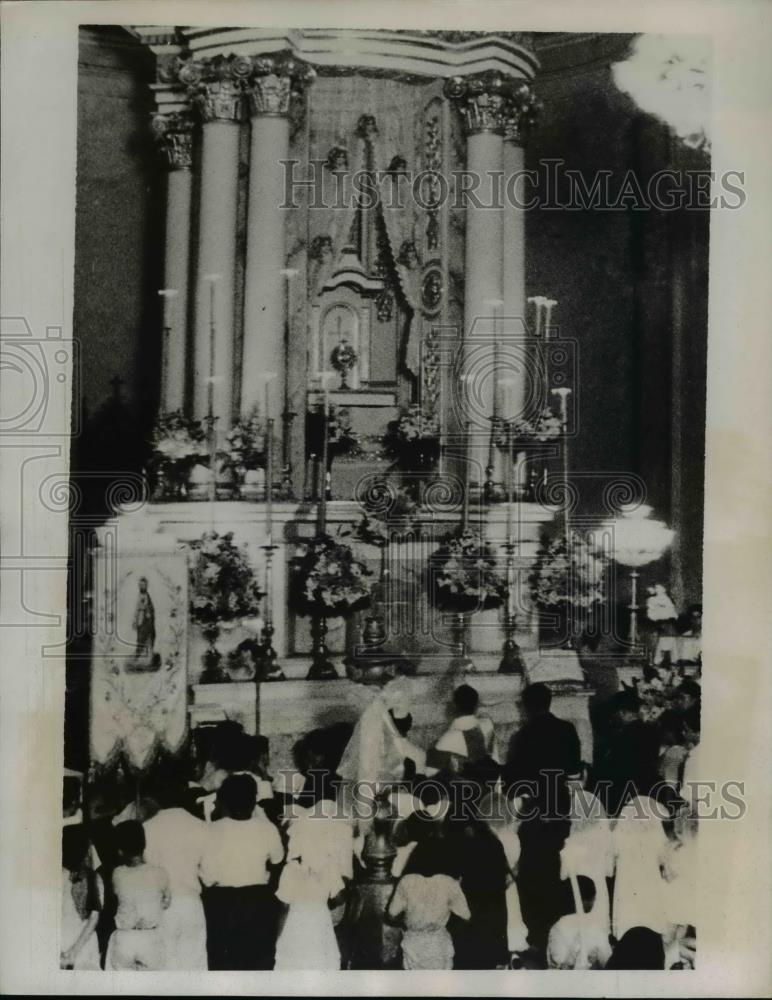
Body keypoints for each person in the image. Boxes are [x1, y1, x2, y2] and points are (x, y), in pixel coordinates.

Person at [504, 683, 579, 952]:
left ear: (526, 707)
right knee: (555, 866)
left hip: (534, 811)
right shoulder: (567, 730)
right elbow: (574, 774)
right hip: (559, 809)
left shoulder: (522, 736)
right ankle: (555, 930)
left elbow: (512, 782)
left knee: (533, 870)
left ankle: (536, 933)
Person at [200, 774, 284, 970]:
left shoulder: (213, 831)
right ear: (254, 800)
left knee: (222, 965)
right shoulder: (267, 828)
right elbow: (278, 861)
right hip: (258, 904)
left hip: (223, 905)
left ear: (224, 801)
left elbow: (207, 877)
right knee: (258, 964)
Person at [274, 797, 354, 970]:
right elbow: (339, 898)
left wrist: (278, 938)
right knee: (320, 962)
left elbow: (283, 909)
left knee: (294, 964)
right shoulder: (330, 866)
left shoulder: (290, 869)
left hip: (295, 924)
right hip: (320, 921)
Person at [142, 780, 209, 970]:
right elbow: (209, 873)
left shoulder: (147, 827)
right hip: (191, 902)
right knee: (194, 965)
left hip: (160, 904)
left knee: (163, 964)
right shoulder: (201, 826)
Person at [105, 820, 170, 971]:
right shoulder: (160, 873)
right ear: (144, 844)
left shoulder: (117, 874)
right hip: (150, 939)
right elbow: (166, 902)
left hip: (125, 939)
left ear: (120, 851)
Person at [387, 859, 471, 969]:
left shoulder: (407, 881)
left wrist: (407, 924)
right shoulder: (449, 882)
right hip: (439, 944)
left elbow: (391, 915)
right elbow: (466, 917)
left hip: (414, 943)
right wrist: (449, 930)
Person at [611, 793, 671, 940]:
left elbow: (614, 851)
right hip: (649, 878)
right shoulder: (655, 818)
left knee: (629, 915)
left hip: (627, 880)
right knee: (649, 916)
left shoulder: (625, 816)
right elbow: (664, 856)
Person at [547, 875, 612, 970]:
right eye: (593, 897)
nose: (594, 900)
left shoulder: (555, 927)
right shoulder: (596, 927)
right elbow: (606, 961)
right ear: (585, 901)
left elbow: (553, 963)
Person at [431, 684, 498, 775]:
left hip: (464, 787)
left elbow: (432, 774)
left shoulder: (447, 739)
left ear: (454, 706)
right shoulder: (487, 725)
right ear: (476, 705)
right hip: (488, 783)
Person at [61, 825, 102, 970]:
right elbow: (94, 918)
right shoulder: (92, 878)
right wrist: (74, 951)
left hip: (61, 943)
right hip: (85, 945)